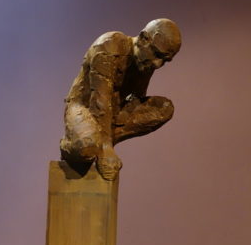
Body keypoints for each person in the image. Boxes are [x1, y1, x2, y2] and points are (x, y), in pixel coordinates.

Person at [60, 18, 182, 180]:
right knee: (86, 147)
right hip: (84, 106)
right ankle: (72, 144)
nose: (158, 64)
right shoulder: (109, 45)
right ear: (144, 38)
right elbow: (99, 100)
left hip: (113, 111)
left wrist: (131, 111)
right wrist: (106, 149)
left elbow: (137, 98)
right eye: (156, 54)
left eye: (165, 61)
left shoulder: (146, 61)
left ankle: (99, 139)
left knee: (164, 108)